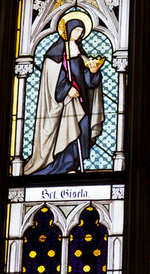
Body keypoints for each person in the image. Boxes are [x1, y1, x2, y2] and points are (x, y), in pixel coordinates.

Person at [24, 12, 105, 175]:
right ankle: (61, 167)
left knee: (81, 131)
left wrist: (93, 72)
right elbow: (52, 79)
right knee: (66, 131)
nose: (79, 34)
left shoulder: (80, 53)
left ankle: (74, 165)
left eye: (81, 31)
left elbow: (87, 81)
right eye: (76, 31)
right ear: (67, 31)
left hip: (81, 100)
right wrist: (67, 89)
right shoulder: (55, 54)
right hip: (65, 103)